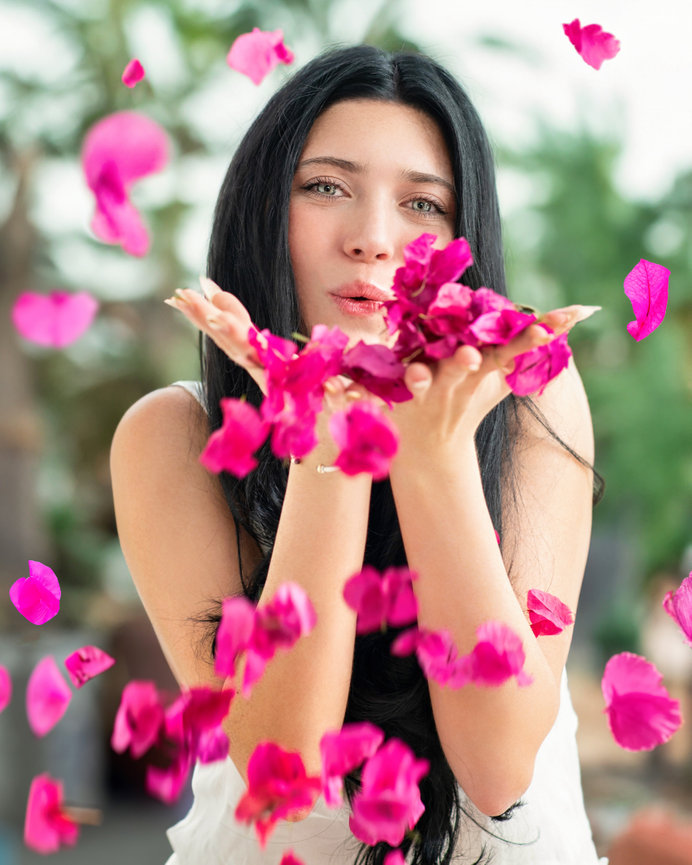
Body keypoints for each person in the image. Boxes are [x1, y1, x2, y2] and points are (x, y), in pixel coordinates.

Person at [110, 44, 607, 865]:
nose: (375, 240)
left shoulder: (529, 398)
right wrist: (330, 428)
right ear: (264, 207)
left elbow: (495, 767)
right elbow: (289, 766)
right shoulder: (172, 437)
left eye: (422, 204)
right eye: (327, 187)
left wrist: (432, 452)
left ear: (464, 238)